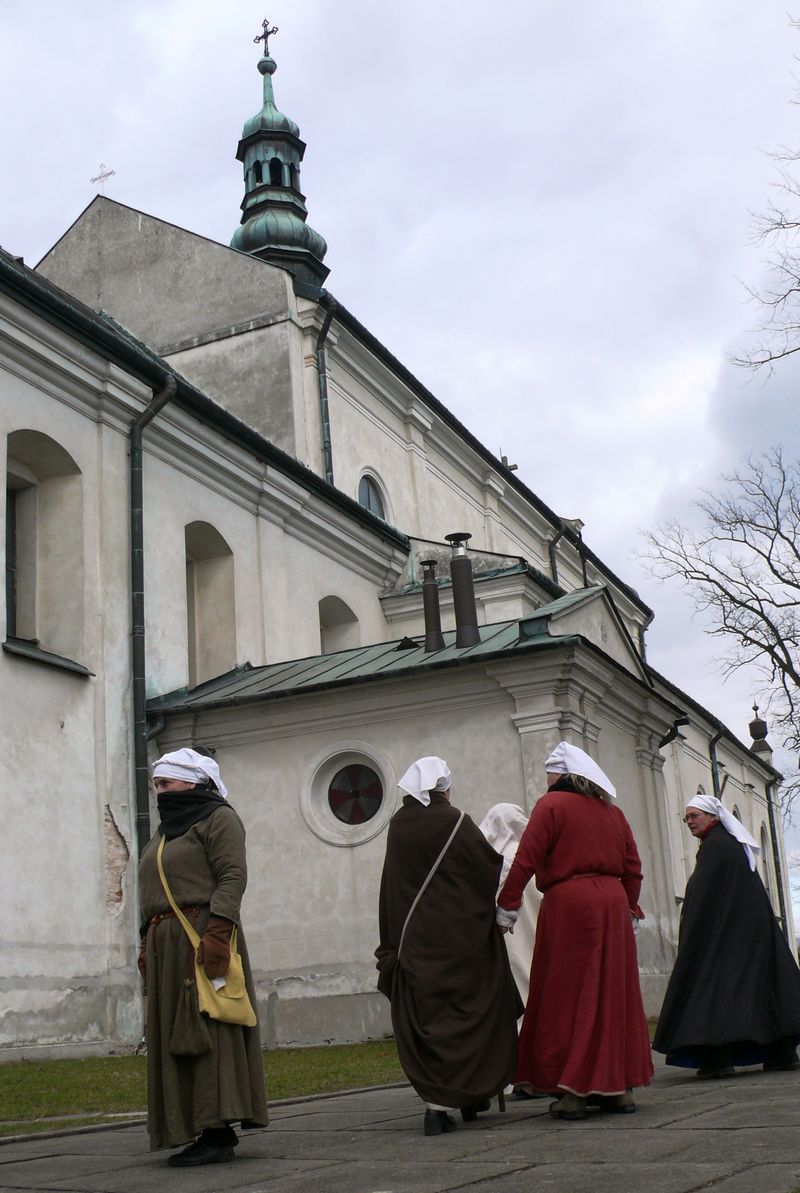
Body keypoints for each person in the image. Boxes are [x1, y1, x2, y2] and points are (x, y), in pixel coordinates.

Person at [496, 741, 653, 1120]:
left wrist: (507, 903)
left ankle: (574, 1092)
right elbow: (633, 868)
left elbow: (527, 857)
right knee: (613, 995)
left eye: (550, 773)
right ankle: (619, 1089)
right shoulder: (614, 814)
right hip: (613, 906)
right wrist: (630, 907)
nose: (547, 780)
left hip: (570, 907)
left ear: (564, 775)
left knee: (568, 996)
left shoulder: (551, 806)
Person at [375, 756, 521, 1136]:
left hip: (416, 943)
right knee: (469, 1014)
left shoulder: (398, 826)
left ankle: (435, 1108)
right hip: (460, 940)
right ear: (444, 787)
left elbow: (392, 884)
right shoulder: (456, 821)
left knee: (432, 1019)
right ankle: (472, 1093)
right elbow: (485, 869)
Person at [138, 747, 268, 1166]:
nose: (160, 791)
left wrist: (218, 931)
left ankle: (217, 1131)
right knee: (176, 1037)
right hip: (167, 948)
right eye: (156, 785)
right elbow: (153, 890)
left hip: (201, 940)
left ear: (193, 783)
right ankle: (191, 1125)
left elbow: (232, 876)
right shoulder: (165, 834)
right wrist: (145, 940)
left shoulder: (218, 818)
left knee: (207, 1029)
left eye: (166, 783)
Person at [653, 793, 800, 1078]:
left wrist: (693, 930)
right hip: (750, 933)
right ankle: (781, 1051)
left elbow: (702, 895)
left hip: (727, 935)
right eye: (686, 818)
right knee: (763, 988)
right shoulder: (729, 844)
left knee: (716, 988)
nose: (689, 822)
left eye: (694, 816)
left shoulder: (715, 847)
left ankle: (717, 1056)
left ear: (713, 817)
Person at [478, 803, 541, 1099]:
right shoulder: (531, 858)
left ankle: (510, 1071)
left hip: (505, 942)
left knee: (511, 1004)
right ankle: (535, 1069)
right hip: (534, 937)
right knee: (535, 996)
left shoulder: (491, 863)